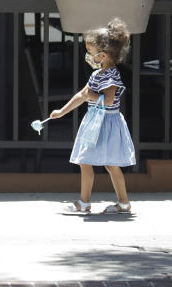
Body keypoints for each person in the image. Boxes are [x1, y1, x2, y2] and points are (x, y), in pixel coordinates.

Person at [48, 18, 136, 215]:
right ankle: (85, 202)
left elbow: (110, 101)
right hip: (94, 122)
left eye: (90, 52)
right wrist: (62, 111)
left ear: (103, 55)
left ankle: (122, 203)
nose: (88, 56)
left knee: (111, 164)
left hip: (107, 123)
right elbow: (81, 94)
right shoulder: (97, 74)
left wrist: (91, 96)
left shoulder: (111, 76)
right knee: (85, 161)